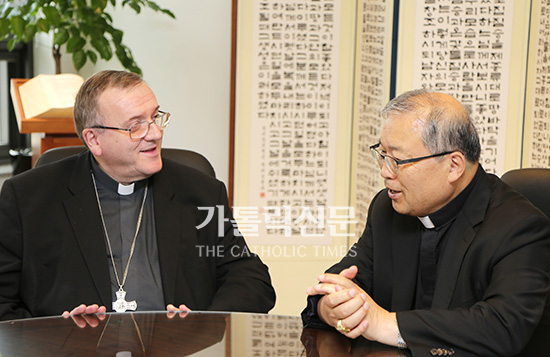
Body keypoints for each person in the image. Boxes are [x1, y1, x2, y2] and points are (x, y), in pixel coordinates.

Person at [0, 70, 275, 321]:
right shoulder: (28, 199)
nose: (154, 133)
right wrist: (53, 336)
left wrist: (205, 323)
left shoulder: (201, 192)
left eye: (155, 117)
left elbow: (250, 278)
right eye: (135, 126)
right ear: (94, 139)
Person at [302, 89, 550, 356]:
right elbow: (345, 278)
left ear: (454, 165)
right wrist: (331, 307)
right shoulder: (388, 208)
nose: (385, 172)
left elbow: (503, 327)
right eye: (382, 155)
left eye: (397, 160)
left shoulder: (520, 227)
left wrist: (386, 324)